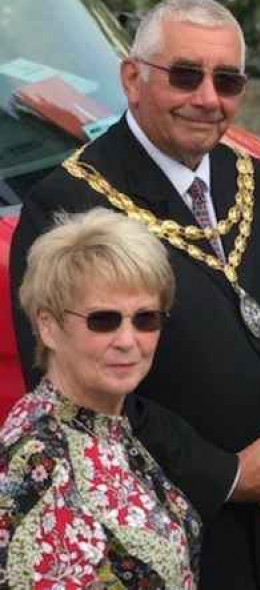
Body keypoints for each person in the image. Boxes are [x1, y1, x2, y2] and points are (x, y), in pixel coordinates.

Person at [9, 0, 260, 590]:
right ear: (133, 79)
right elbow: (71, 394)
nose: (208, 99)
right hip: (162, 533)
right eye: (185, 75)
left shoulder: (253, 179)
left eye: (228, 81)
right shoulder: (67, 204)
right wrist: (228, 475)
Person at [2, 208, 200, 587]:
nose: (127, 341)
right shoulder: (38, 464)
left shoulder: (105, 423)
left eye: (145, 319)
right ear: (48, 326)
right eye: (103, 320)